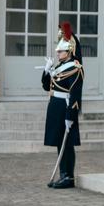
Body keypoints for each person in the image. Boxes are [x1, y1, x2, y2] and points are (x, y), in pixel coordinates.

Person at [41, 24, 83, 189]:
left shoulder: (75, 68)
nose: (58, 53)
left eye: (61, 51)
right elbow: (47, 87)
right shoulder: (59, 67)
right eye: (58, 51)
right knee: (60, 142)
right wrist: (46, 71)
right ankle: (63, 174)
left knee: (67, 143)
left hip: (65, 107)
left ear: (69, 51)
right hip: (55, 106)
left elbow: (75, 94)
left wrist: (70, 116)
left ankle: (68, 176)